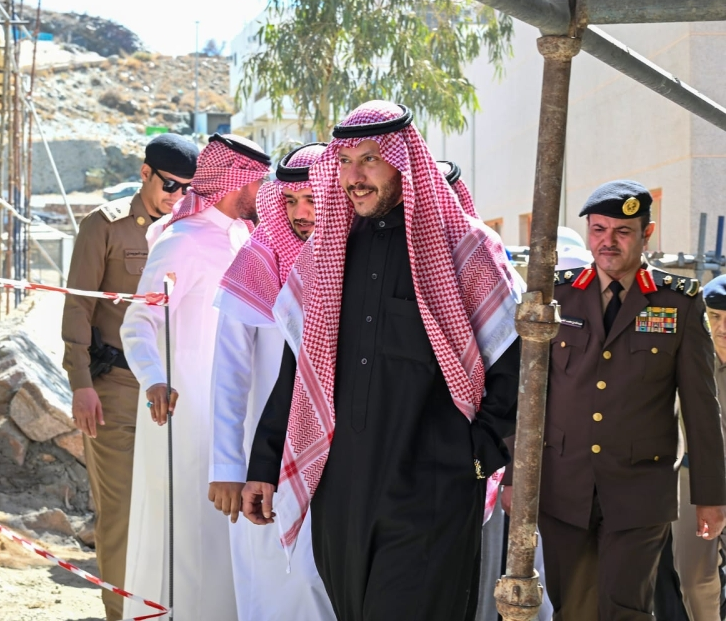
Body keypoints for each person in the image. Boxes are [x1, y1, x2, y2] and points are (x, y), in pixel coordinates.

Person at [243, 101, 523, 621]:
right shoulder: (326, 253)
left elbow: (516, 365)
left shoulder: (465, 248)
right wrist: (264, 465)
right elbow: (297, 374)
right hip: (342, 493)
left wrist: (472, 454)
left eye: (370, 159)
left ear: (405, 160)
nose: (354, 176)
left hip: (431, 489)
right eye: (345, 161)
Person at [531, 179, 726, 620]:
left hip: (640, 491)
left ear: (646, 234)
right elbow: (526, 392)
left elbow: (700, 407)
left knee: (626, 609)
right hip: (564, 487)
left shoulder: (678, 303)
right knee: (574, 609)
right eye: (599, 230)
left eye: (622, 231)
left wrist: (710, 495)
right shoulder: (557, 294)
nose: (608, 241)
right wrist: (512, 477)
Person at [120, 133, 270, 620]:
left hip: (231, 413)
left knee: (225, 539)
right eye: (257, 183)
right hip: (182, 413)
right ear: (236, 182)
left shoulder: (242, 237)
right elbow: (140, 322)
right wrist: (154, 379)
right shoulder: (182, 241)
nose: (263, 193)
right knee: (185, 533)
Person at [60, 133, 198, 621]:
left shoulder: (192, 229)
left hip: (175, 395)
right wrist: (80, 383)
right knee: (120, 514)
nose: (176, 195)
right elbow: (79, 304)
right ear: (146, 173)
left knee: (171, 511)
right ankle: (120, 613)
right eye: (169, 184)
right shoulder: (106, 225)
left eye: (186, 187)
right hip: (116, 390)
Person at [209, 141, 335, 621]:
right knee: (271, 577)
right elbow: (230, 374)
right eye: (290, 201)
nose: (302, 213)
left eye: (313, 200)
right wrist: (226, 465)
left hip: (339, 452)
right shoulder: (256, 263)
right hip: (264, 461)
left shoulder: (352, 261)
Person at [665, 274, 726, 621]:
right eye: (714, 317)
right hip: (693, 478)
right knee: (693, 578)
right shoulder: (684, 357)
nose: (722, 328)